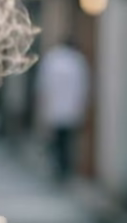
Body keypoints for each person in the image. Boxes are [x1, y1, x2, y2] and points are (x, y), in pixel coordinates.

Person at [34, 37, 89, 182]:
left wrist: (42, 107)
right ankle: (65, 168)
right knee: (67, 140)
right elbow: (84, 87)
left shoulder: (52, 59)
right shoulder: (78, 60)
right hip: (71, 109)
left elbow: (43, 85)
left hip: (55, 108)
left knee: (57, 140)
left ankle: (58, 167)